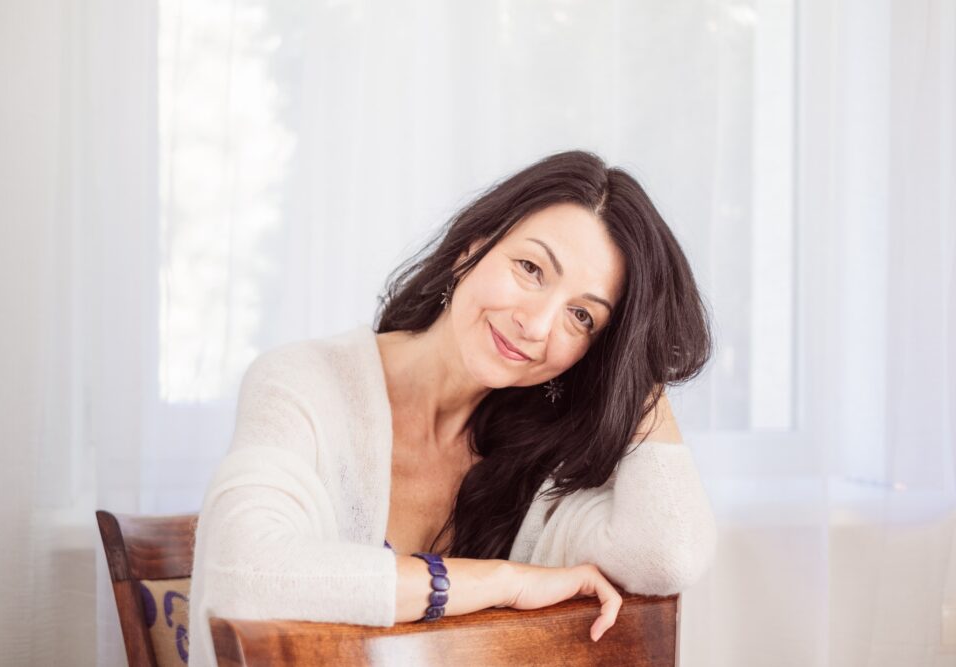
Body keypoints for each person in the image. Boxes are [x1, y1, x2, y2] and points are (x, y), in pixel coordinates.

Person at [187, 150, 718, 667]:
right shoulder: (304, 382)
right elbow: (245, 571)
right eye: (531, 268)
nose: (535, 325)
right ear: (472, 247)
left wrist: (638, 365)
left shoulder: (540, 472)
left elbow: (667, 553)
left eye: (581, 316)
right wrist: (503, 581)